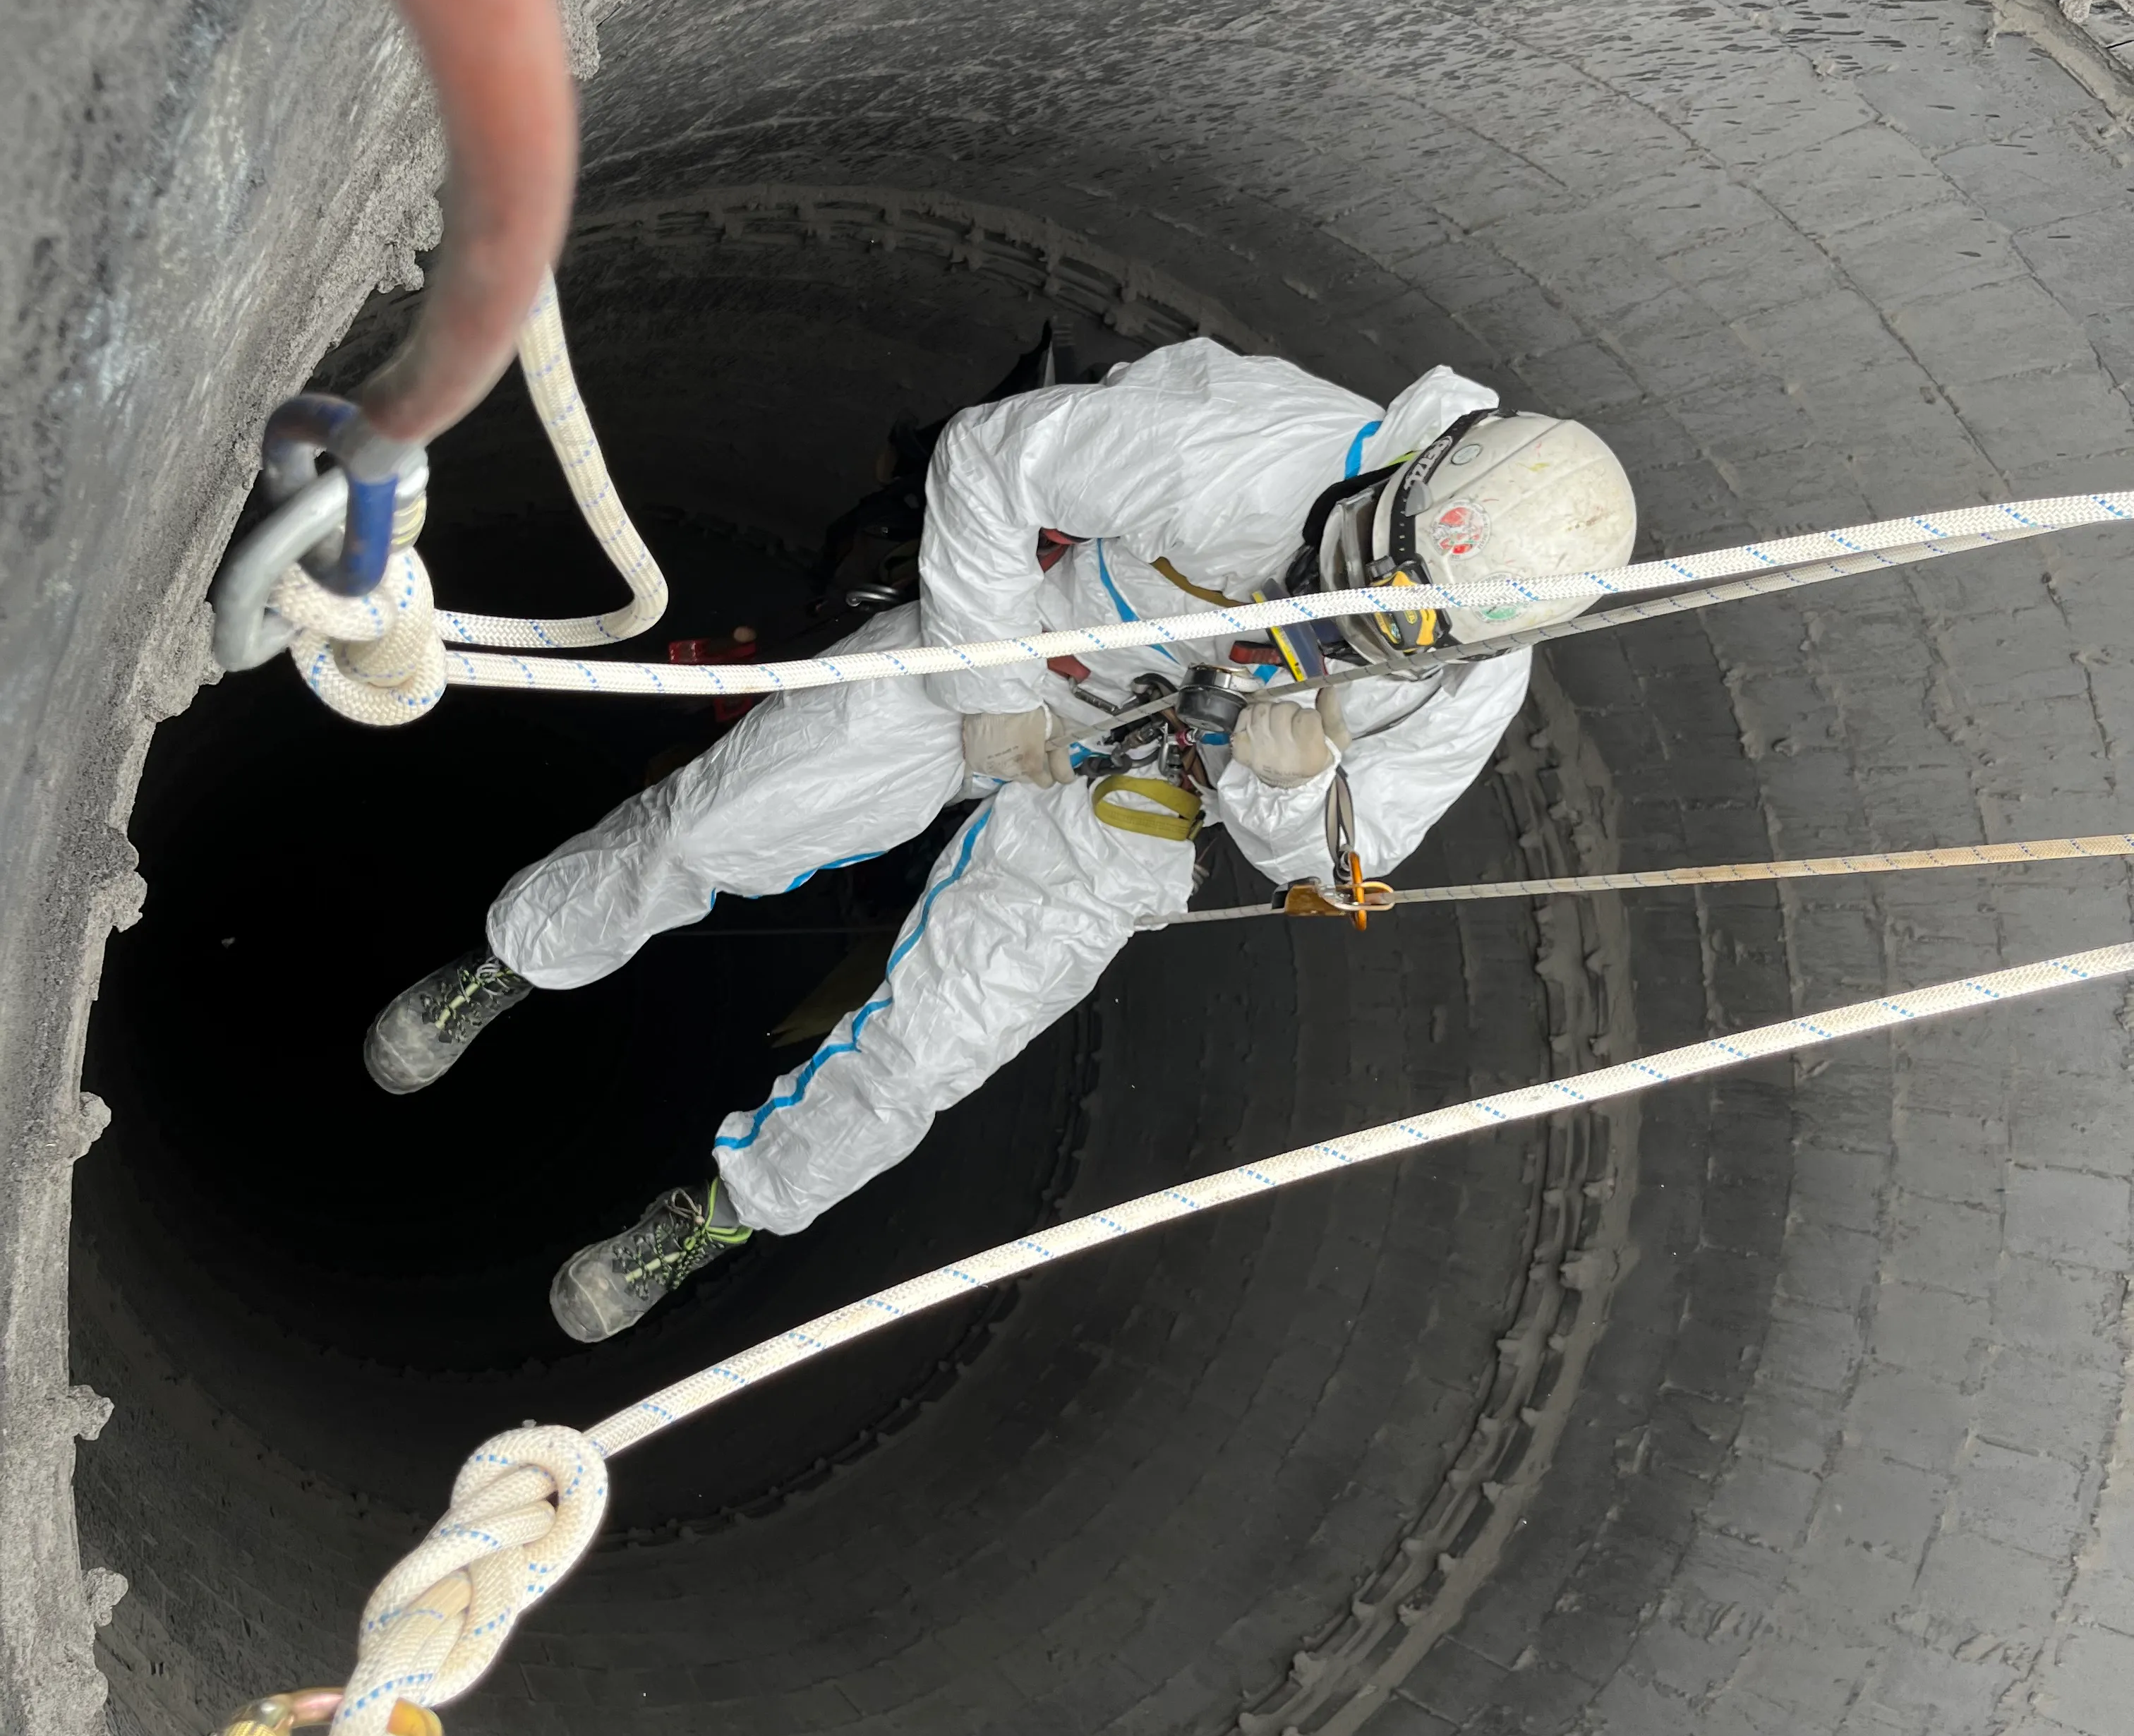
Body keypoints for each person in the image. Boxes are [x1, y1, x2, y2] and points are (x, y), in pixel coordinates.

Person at [363, 339, 1636, 1341]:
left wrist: (1283, 789)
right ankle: (515, 960)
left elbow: (1339, 862)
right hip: (1023, 649)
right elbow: (992, 459)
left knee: (939, 1048)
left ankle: (712, 1219)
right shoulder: (1248, 447)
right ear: (1413, 479)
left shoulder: (1472, 684)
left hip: (1147, 796)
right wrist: (994, 688)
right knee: (722, 819)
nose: (1350, 608)